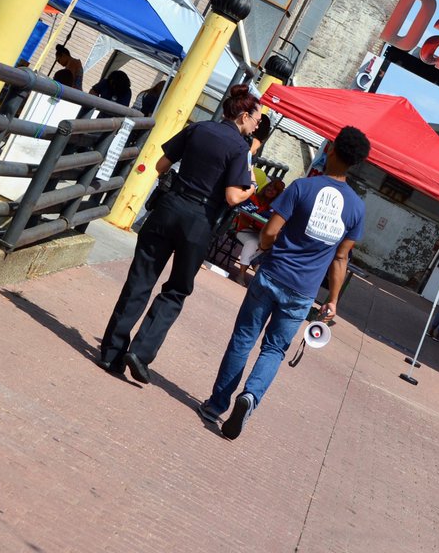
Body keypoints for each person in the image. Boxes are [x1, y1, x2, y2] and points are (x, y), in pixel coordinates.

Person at [199, 125, 370, 439]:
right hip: (303, 293)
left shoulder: (303, 187)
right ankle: (250, 397)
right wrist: (332, 300)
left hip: (272, 274)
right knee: (274, 350)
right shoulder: (357, 209)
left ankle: (215, 405)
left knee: (243, 339)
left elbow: (270, 232)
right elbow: (341, 259)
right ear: (357, 163)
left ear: (330, 149)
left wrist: (264, 248)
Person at [100, 85, 262, 383]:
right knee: (176, 289)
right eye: (256, 120)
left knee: (140, 279)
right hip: (199, 220)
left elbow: (161, 165)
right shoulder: (239, 148)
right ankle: (141, 351)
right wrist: (251, 188)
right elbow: (231, 196)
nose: (256, 125)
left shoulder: (199, 128)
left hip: (169, 206)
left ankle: (111, 352)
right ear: (242, 115)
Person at [228, 179, 286, 271]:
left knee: (270, 246)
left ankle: (255, 265)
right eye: (270, 186)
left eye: (275, 189)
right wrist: (254, 224)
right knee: (253, 242)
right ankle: (242, 274)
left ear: (278, 194)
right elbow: (243, 219)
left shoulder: (275, 209)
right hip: (242, 229)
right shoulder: (252, 198)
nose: (271, 189)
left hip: (260, 233)